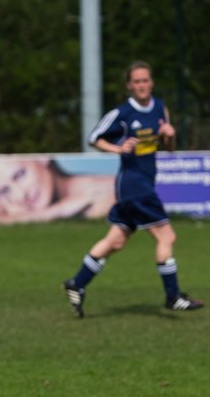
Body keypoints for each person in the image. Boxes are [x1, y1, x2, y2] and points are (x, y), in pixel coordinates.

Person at [62, 61, 203, 316]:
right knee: (167, 237)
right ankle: (173, 296)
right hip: (134, 186)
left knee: (115, 241)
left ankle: (77, 283)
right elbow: (94, 138)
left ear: (152, 82)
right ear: (129, 85)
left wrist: (170, 135)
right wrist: (118, 148)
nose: (141, 85)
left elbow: (168, 149)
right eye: (136, 81)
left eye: (145, 80)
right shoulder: (122, 113)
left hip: (141, 186)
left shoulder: (160, 108)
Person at [0, 156, 115, 223]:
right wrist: (59, 210)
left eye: (20, 175)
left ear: (42, 158)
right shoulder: (10, 201)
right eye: (6, 190)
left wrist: (21, 218)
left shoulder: (99, 191)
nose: (20, 195)